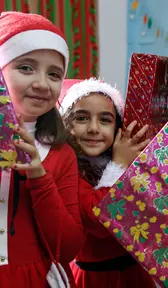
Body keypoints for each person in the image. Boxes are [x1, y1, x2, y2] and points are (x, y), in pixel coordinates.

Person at [0, 11, 83, 287]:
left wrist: (39, 176)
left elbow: (68, 246)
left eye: (54, 74)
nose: (41, 83)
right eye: (25, 67)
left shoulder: (61, 155)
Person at [59, 78, 154, 288]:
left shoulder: (127, 158)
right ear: (65, 124)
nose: (94, 128)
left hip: (135, 275)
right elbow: (99, 220)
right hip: (95, 279)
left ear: (118, 127)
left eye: (105, 120)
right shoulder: (68, 171)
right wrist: (119, 166)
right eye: (82, 118)